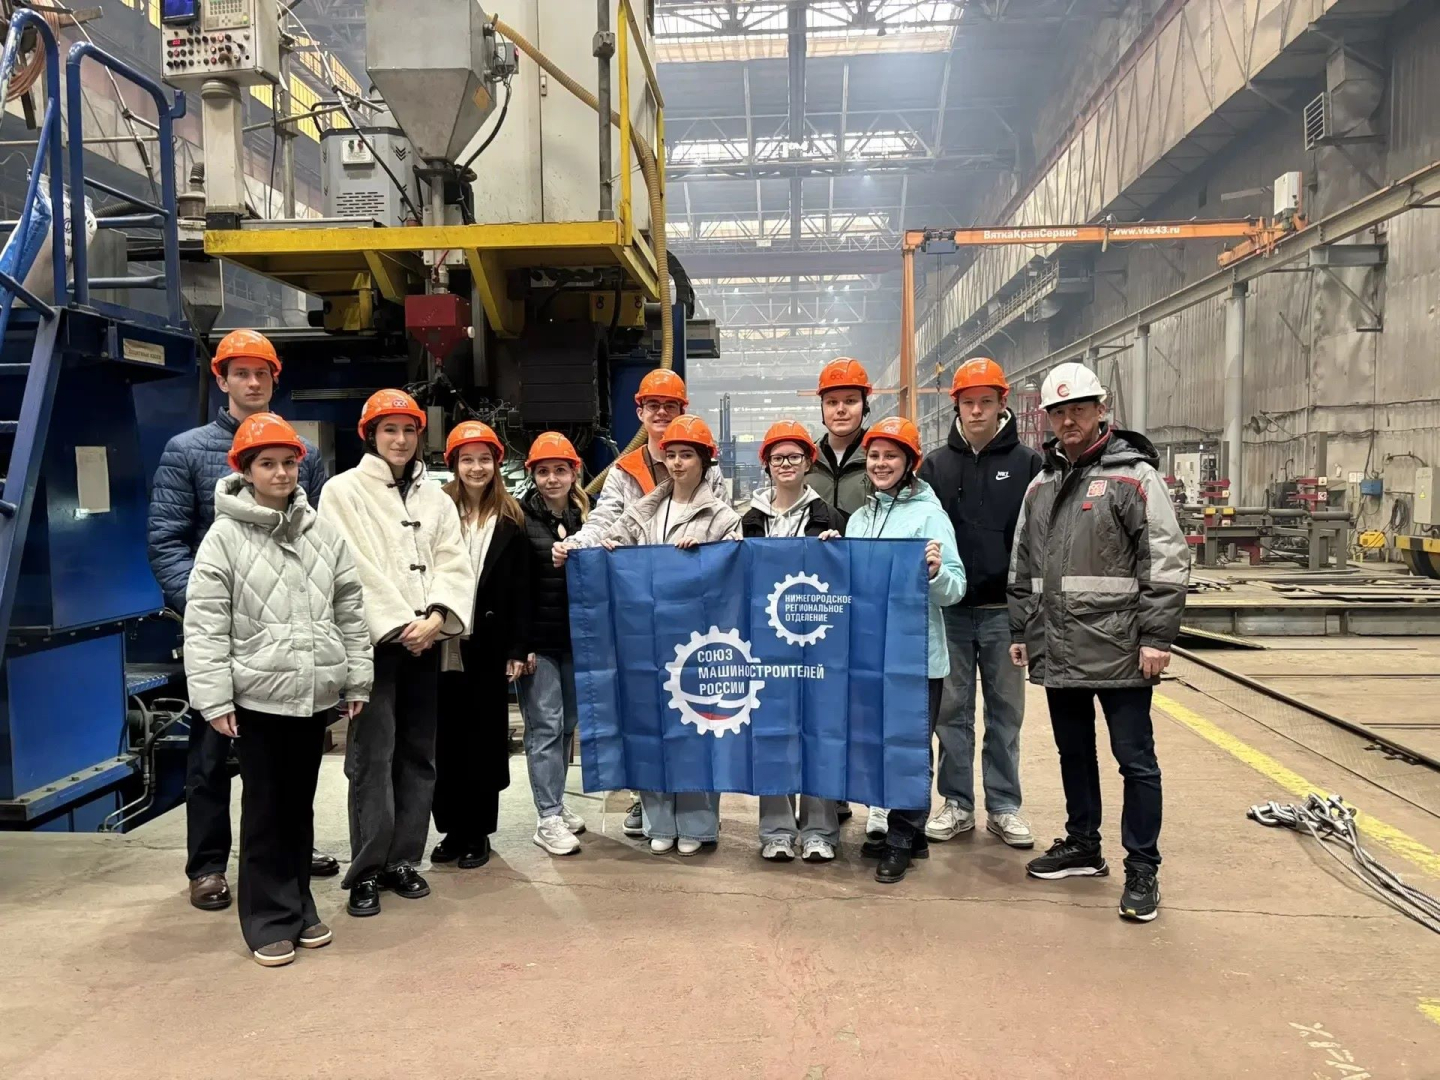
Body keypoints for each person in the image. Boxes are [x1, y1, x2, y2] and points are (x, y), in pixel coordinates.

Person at [147, 328, 334, 913]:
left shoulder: (304, 455)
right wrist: (207, 611)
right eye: (241, 373)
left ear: (275, 379)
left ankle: (288, 852)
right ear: (222, 379)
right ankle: (207, 865)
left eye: (262, 373)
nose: (252, 383)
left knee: (287, 759)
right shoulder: (187, 451)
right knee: (210, 752)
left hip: (287, 634)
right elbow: (166, 540)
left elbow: (316, 538)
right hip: (221, 632)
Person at [182, 414, 372, 967]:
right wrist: (214, 698)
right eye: (267, 463)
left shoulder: (322, 533)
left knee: (299, 808)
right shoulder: (224, 538)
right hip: (257, 698)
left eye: (289, 462)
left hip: (312, 694)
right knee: (265, 810)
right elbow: (205, 624)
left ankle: (299, 905)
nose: (281, 472)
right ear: (245, 470)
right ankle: (266, 917)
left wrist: (356, 677)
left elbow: (349, 609)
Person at [1007, 361, 1189, 923]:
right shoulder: (1041, 484)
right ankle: (1084, 844)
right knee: (1074, 752)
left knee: (1135, 760)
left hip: (1121, 646)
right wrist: (1021, 627)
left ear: (1100, 409)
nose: (1068, 421)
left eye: (1078, 409)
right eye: (1058, 412)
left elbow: (1165, 558)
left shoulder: (1135, 477)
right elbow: (1022, 563)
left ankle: (1143, 867)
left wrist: (1157, 636)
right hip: (1059, 644)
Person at [317, 390, 474, 918]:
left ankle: (403, 860)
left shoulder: (437, 499)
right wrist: (399, 623)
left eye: (409, 430)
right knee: (371, 759)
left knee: (419, 756)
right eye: (389, 430)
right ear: (370, 435)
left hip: (426, 644)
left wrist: (438, 617)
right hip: (374, 646)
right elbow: (349, 565)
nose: (401, 440)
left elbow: (454, 560)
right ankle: (366, 870)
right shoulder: (341, 492)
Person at [556, 368, 724, 838]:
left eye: (670, 406)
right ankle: (647, 804)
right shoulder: (623, 471)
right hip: (641, 611)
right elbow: (607, 522)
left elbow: (723, 529)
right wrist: (578, 545)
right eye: (653, 406)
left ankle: (697, 814)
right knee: (647, 707)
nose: (661, 413)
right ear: (640, 412)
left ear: (682, 410)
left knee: (695, 710)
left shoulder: (710, 471)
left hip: (693, 613)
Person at [596, 414, 742, 855]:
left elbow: (735, 573)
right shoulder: (643, 512)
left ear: (704, 461)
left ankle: (697, 825)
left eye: (687, 455)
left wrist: (707, 556)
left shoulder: (722, 517)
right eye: (672, 454)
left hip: (700, 641)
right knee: (651, 725)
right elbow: (613, 543)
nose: (677, 463)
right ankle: (659, 821)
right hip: (647, 637)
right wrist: (609, 549)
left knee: (697, 728)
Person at [919, 358, 1043, 850]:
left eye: (985, 402)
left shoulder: (1029, 465)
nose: (976, 411)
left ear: (1000, 404)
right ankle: (957, 803)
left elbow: (1036, 540)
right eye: (968, 403)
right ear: (957, 406)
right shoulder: (935, 466)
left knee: (1005, 712)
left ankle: (1004, 806)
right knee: (951, 713)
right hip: (948, 610)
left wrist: (1028, 611)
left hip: (1003, 613)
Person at [842, 417, 965, 884]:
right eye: (874, 456)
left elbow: (955, 589)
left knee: (909, 749)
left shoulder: (931, 517)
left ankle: (900, 837)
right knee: (878, 743)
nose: (880, 463)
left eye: (890, 456)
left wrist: (934, 573)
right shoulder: (860, 518)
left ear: (910, 462)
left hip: (916, 656)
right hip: (870, 654)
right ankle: (911, 833)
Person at [740, 420, 846, 864]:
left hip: (818, 643)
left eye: (794, 457)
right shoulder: (747, 522)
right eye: (777, 457)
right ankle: (777, 831)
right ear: (766, 465)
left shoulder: (831, 519)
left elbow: (846, 584)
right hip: (765, 645)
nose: (786, 464)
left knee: (820, 732)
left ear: (809, 462)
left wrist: (838, 551)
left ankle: (820, 830)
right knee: (773, 734)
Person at [430, 421, 528, 871]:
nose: (476, 468)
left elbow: (521, 589)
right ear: (453, 464)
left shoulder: (511, 518)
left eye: (484, 459)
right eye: (467, 460)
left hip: (488, 647)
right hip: (440, 644)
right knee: (444, 739)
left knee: (483, 740)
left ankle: (478, 832)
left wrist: (517, 647)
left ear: (496, 464)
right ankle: (450, 830)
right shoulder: (436, 511)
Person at [515, 433, 591, 856]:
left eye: (560, 470)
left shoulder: (587, 518)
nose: (551, 479)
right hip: (538, 645)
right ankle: (546, 818)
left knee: (566, 726)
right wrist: (519, 645)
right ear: (533, 475)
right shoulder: (518, 518)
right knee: (544, 727)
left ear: (573, 473)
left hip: (575, 642)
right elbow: (513, 586)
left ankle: (557, 804)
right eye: (543, 471)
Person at [808, 357, 874, 828]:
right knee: (824, 701)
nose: (841, 410)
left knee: (863, 701)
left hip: (866, 599)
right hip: (815, 604)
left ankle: (871, 797)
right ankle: (831, 794)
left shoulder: (882, 455)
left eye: (850, 400)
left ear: (864, 405)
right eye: (833, 402)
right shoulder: (803, 460)